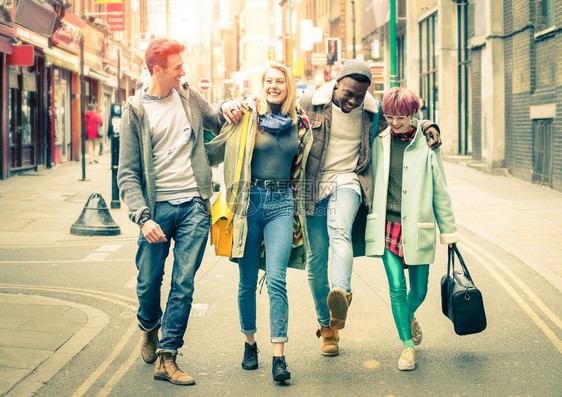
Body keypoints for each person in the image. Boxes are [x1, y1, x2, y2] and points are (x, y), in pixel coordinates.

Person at [117, 38, 244, 386]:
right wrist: (143, 217)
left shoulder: (187, 94)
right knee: (148, 282)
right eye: (177, 68)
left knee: (183, 283)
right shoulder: (135, 111)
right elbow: (127, 173)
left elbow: (218, 122)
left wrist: (229, 106)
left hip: (194, 205)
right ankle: (148, 326)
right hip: (156, 210)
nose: (183, 73)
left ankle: (168, 356)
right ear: (157, 70)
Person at [299, 58, 441, 357]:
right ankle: (328, 328)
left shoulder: (372, 110)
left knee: (340, 230)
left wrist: (427, 124)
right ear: (335, 84)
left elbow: (401, 116)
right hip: (312, 185)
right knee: (316, 259)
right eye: (347, 93)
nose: (352, 100)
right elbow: (281, 111)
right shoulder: (310, 102)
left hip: (349, 181)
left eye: (359, 96)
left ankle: (341, 295)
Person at [206, 61, 313, 383]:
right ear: (262, 84)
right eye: (269, 80)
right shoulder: (247, 115)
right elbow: (215, 141)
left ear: (288, 85)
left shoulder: (301, 121)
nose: (274, 86)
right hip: (249, 202)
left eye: (280, 81)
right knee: (247, 280)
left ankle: (279, 356)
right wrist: (225, 106)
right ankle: (249, 342)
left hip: (282, 203)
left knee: (277, 278)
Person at [365, 87, 460, 370]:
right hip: (387, 226)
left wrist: (450, 232)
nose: (395, 123)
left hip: (418, 227)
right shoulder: (379, 142)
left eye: (401, 117)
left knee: (418, 292)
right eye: (390, 117)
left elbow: (440, 190)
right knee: (396, 287)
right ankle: (407, 346)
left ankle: (409, 316)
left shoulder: (428, 144)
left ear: (413, 115)